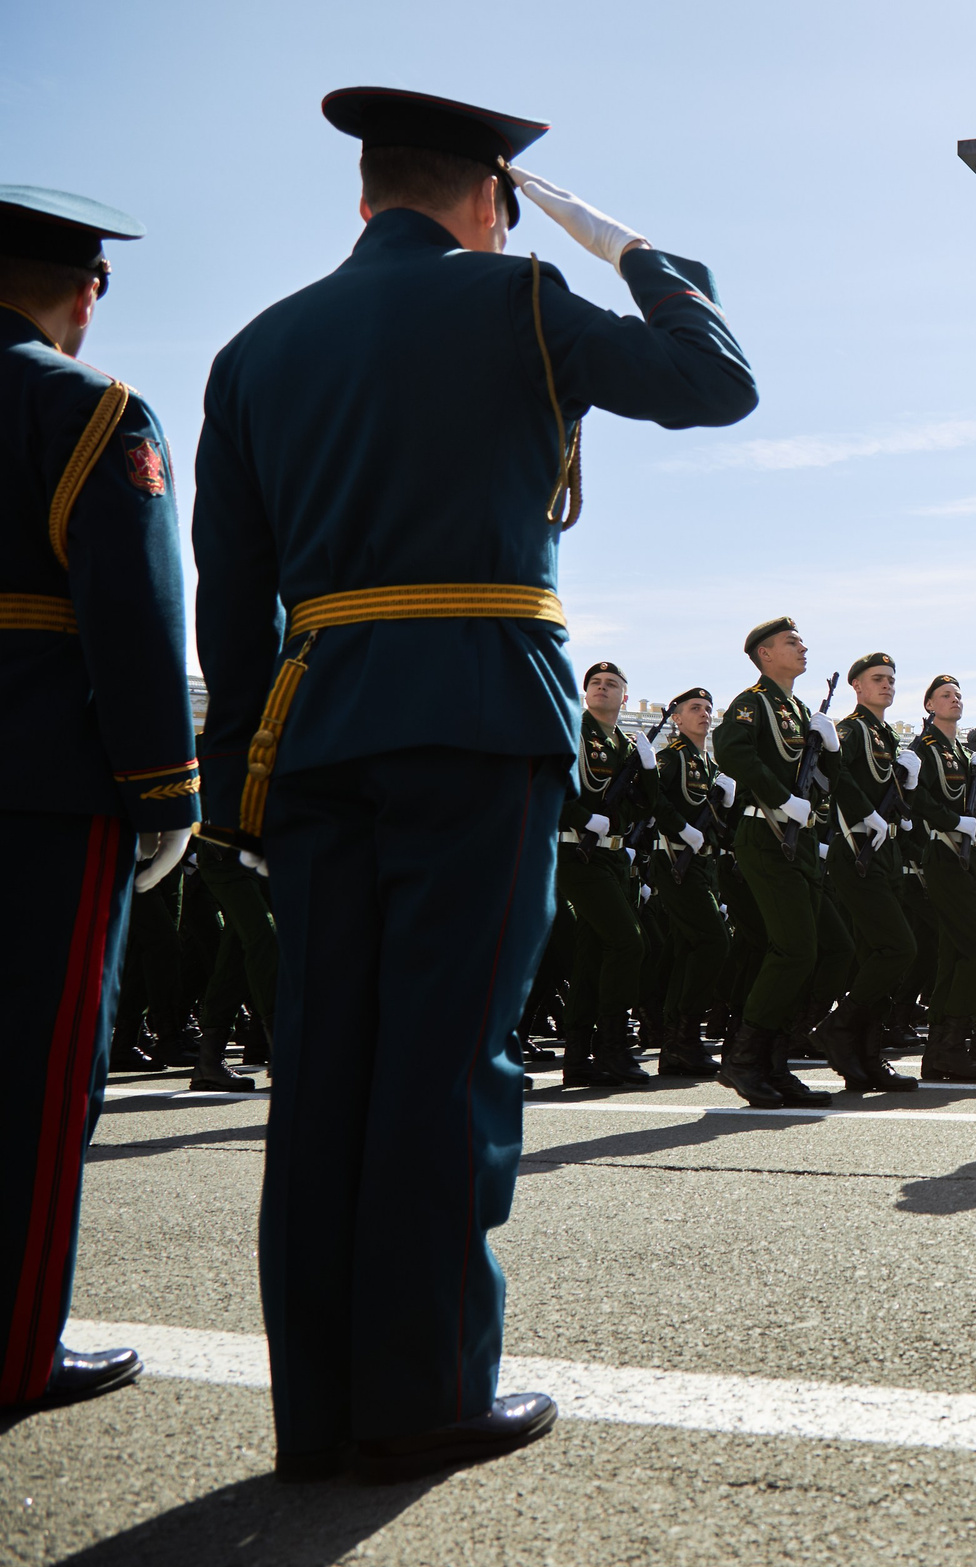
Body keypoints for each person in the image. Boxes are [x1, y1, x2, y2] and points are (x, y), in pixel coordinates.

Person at [192, 88, 755, 1479]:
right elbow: (716, 383)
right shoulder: (517, 301)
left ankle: (319, 1405)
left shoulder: (256, 347)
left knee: (325, 1067)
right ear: (492, 196)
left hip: (315, 734)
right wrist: (645, 259)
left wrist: (234, 797)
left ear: (368, 192)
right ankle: (426, 1386)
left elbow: (232, 602)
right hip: (478, 715)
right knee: (448, 1059)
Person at [1, 185, 194, 1413]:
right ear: (84, 292)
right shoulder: (87, 406)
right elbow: (132, 616)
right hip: (36, 782)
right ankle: (13, 1346)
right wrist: (165, 789)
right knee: (32, 1080)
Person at [712, 619, 845, 1110]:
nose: (802, 647)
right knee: (793, 950)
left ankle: (774, 1059)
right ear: (765, 654)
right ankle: (746, 1060)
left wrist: (830, 749)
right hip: (765, 832)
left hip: (801, 841)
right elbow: (731, 750)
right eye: (792, 642)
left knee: (827, 949)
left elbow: (829, 783)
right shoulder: (754, 702)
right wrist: (779, 796)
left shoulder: (799, 709)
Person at [820, 652, 920, 1094]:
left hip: (886, 850)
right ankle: (839, 1027)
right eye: (877, 679)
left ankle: (866, 1054)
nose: (886, 686)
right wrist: (866, 812)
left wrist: (907, 789)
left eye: (891, 680)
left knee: (875, 952)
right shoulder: (851, 729)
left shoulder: (884, 734)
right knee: (898, 948)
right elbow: (834, 773)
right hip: (857, 847)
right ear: (856, 687)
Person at [555, 661, 651, 1086]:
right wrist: (581, 817)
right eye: (595, 683)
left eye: (612, 684)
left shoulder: (625, 746)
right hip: (576, 852)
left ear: (624, 697)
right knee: (629, 941)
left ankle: (578, 1054)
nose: (602, 688)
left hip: (611, 857)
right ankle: (613, 1043)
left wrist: (647, 769)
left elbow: (641, 808)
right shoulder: (572, 732)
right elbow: (552, 783)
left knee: (593, 954)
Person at [906, 673, 976, 1082]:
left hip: (968, 860)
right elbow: (917, 799)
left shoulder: (963, 752)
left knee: (953, 957)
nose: (954, 700)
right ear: (929, 705)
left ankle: (941, 1052)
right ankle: (951, 1042)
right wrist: (954, 821)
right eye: (944, 695)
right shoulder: (923, 748)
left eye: (958, 695)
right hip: (942, 855)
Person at [647, 687, 733, 1079]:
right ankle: (682, 1034)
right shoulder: (671, 758)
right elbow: (653, 799)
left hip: (704, 866)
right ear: (676, 719)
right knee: (714, 942)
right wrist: (681, 827)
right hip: (676, 862)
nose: (704, 714)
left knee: (687, 948)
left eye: (707, 709)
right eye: (694, 708)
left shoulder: (709, 765)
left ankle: (677, 1043)